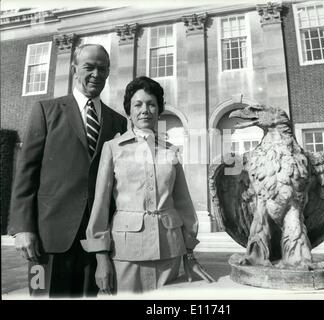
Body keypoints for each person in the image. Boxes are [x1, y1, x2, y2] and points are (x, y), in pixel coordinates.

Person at [8, 44, 128, 297]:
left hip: (94, 243)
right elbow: (26, 173)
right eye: (89, 67)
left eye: (103, 69)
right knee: (41, 295)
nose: (96, 74)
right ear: (74, 69)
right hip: (46, 240)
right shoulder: (46, 110)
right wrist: (22, 228)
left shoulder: (118, 122)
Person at [81, 76, 215, 294]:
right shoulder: (113, 148)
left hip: (169, 251)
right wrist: (101, 259)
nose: (145, 110)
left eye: (151, 104)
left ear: (159, 110)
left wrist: (189, 255)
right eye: (138, 104)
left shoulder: (170, 151)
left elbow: (184, 205)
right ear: (129, 111)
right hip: (126, 252)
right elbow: (101, 204)